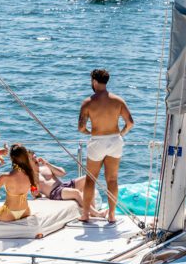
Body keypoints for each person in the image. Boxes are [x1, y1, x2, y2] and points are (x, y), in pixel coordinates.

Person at [77, 69, 134, 224]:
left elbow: (81, 128)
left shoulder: (88, 102)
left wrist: (91, 132)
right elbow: (130, 123)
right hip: (115, 141)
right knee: (112, 179)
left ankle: (86, 214)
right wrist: (121, 134)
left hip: (98, 141)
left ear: (94, 81)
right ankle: (112, 215)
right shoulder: (118, 101)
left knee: (90, 180)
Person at [0, 144, 38, 236]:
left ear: (12, 158)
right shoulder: (30, 174)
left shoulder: (6, 176)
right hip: (25, 211)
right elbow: (35, 192)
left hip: (8, 214)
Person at [31, 153, 107, 218]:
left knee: (89, 178)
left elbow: (62, 173)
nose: (36, 160)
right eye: (33, 159)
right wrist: (37, 195)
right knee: (76, 192)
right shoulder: (30, 175)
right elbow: (34, 191)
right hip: (55, 192)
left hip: (64, 185)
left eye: (35, 157)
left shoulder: (45, 167)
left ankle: (92, 211)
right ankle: (96, 213)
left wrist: (47, 163)